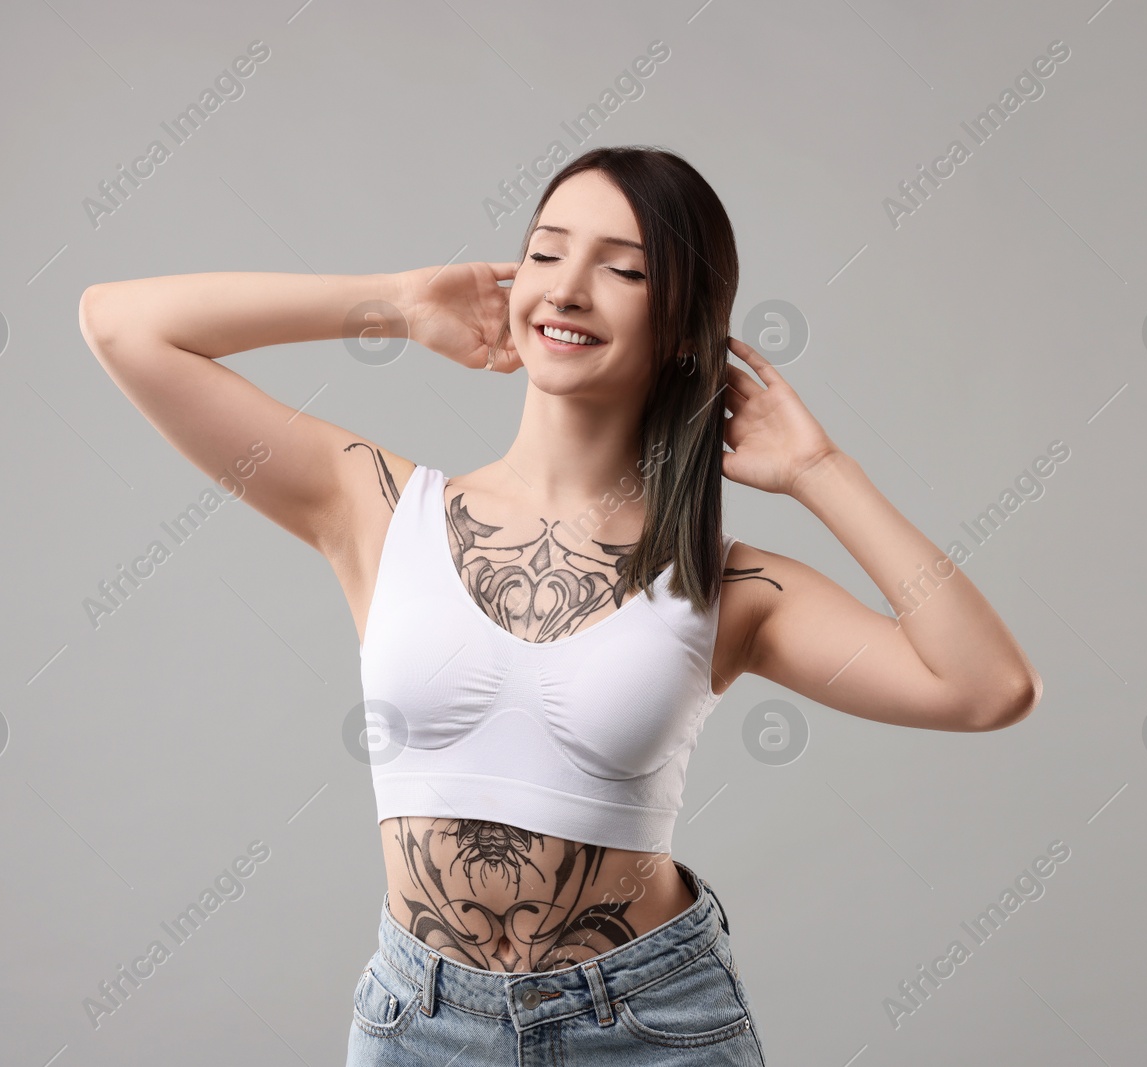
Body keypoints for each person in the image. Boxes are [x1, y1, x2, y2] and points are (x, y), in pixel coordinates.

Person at [78, 145, 1040, 1065]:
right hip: (422, 1025)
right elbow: (122, 323)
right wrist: (398, 303)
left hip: (650, 1026)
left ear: (682, 331)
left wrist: (820, 471)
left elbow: (986, 686)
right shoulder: (375, 507)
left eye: (623, 269)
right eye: (546, 251)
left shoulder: (725, 586)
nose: (567, 287)